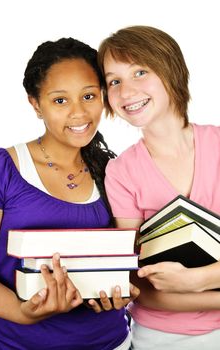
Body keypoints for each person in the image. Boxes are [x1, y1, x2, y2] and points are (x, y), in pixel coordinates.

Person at [0, 37, 139, 350]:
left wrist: (123, 292)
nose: (78, 113)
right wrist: (23, 312)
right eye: (60, 100)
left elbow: (126, 260)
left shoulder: (114, 170)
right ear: (35, 104)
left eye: (88, 96)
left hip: (111, 342)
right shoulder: (0, 167)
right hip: (16, 345)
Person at [98, 25, 220, 349]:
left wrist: (197, 280)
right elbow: (137, 282)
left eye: (140, 71)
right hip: (159, 336)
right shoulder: (122, 172)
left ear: (172, 71)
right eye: (114, 81)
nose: (126, 92)